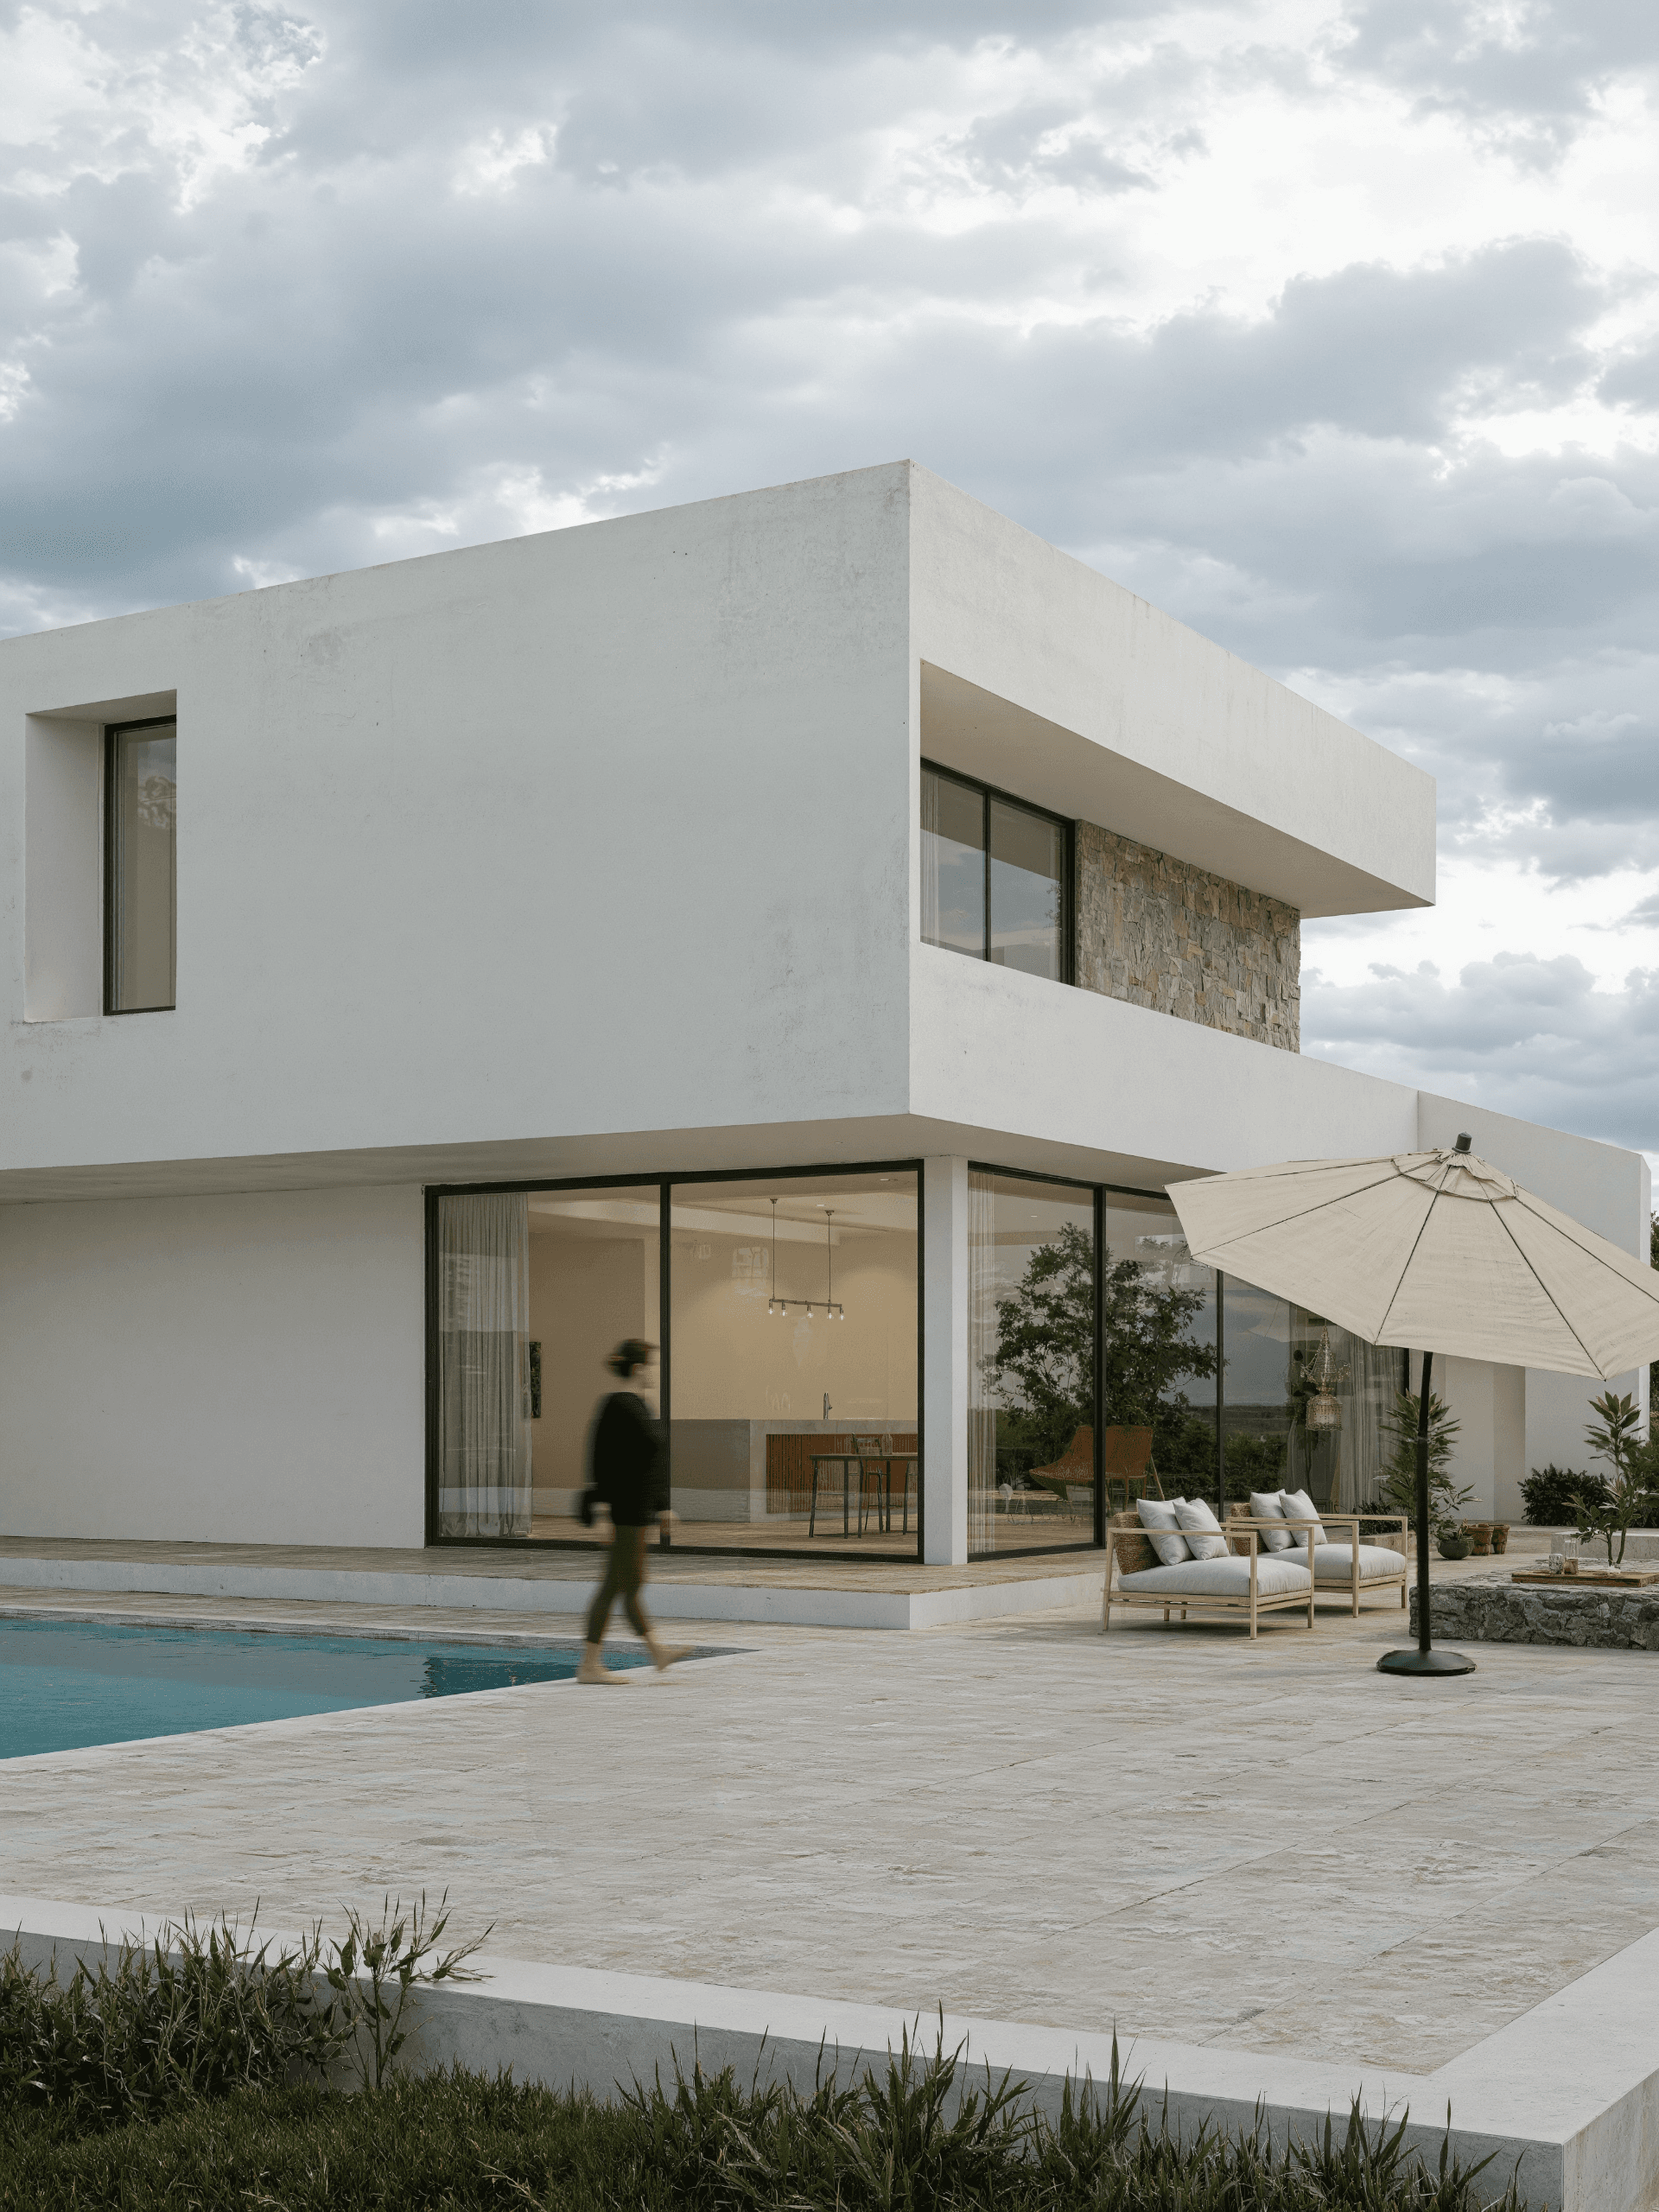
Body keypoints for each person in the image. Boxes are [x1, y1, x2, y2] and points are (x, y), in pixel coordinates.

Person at [578, 1339, 691, 1683]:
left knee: (627, 1584)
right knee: (618, 1585)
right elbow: (600, 1459)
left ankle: (656, 1653)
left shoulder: (640, 1406)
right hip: (625, 1512)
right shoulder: (617, 1406)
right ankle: (590, 1665)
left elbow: (652, 1464)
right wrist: (600, 1511)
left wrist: (663, 1507)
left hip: (638, 1511)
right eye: (650, 1367)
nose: (653, 1374)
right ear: (639, 1369)